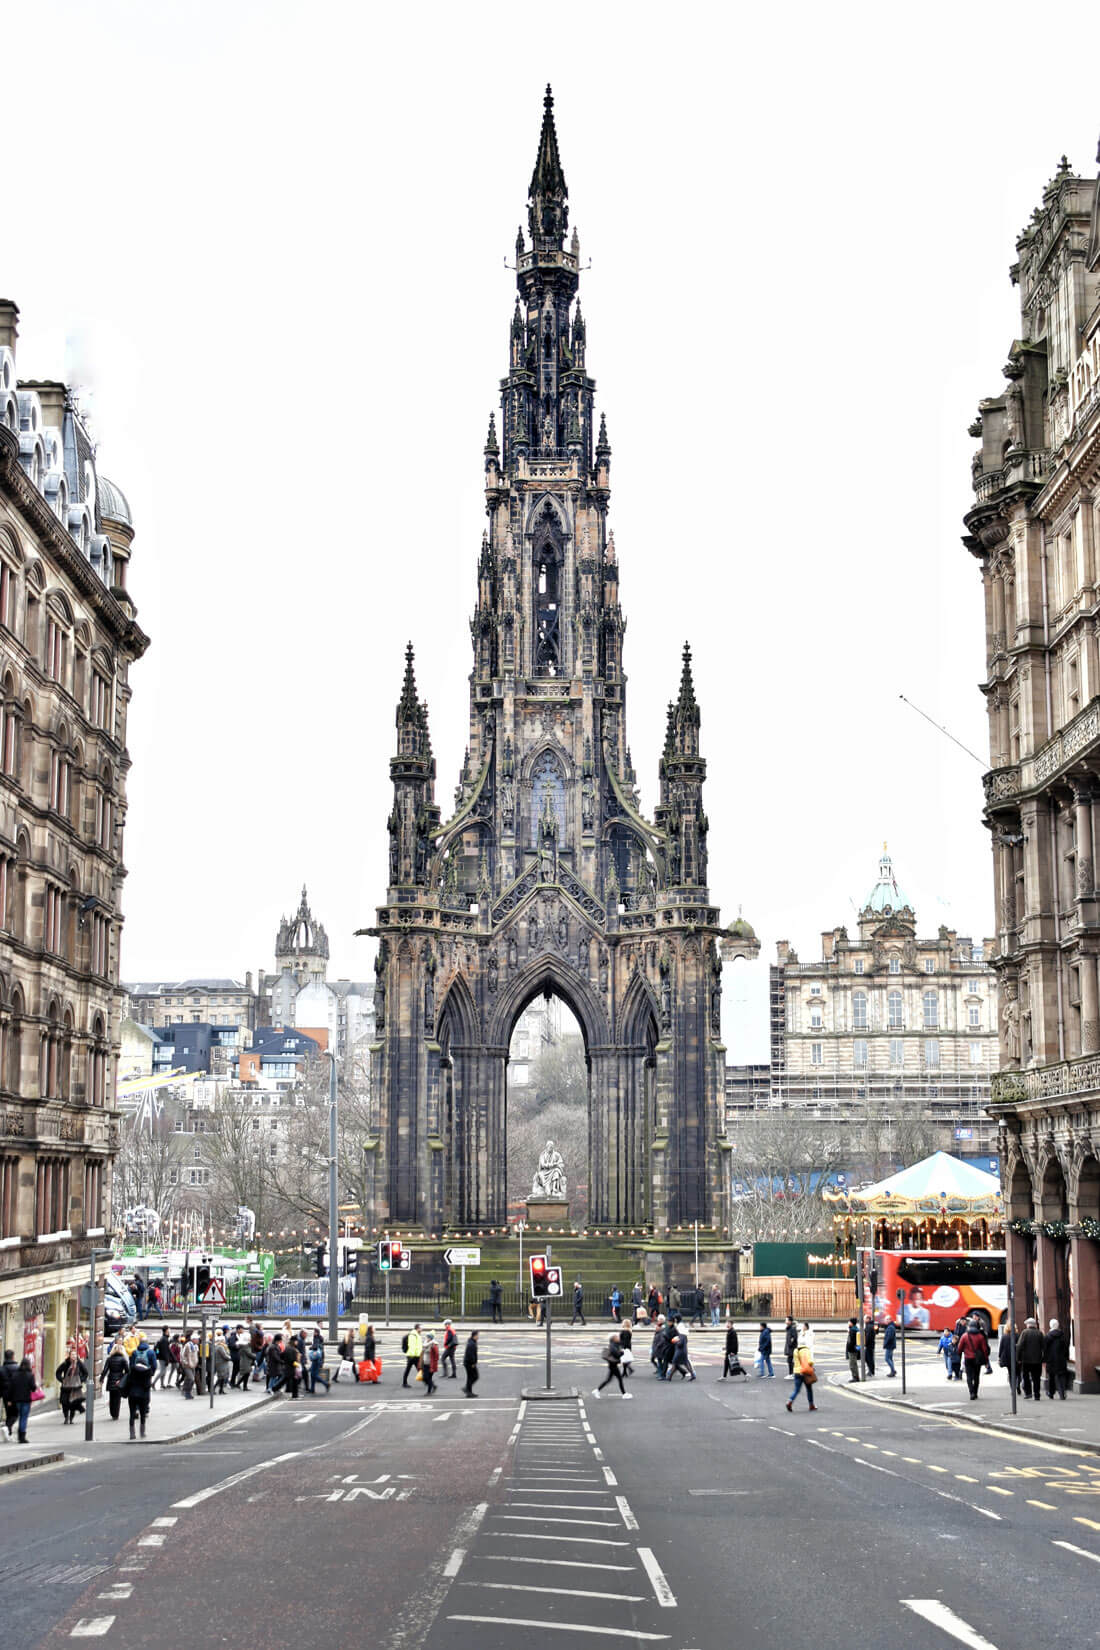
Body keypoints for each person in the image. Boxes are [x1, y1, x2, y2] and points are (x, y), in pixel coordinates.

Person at [127, 1335, 156, 1439]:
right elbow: (148, 1384)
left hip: (133, 1394)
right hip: (143, 1395)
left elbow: (128, 1380)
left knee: (131, 1414)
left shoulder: (134, 1354)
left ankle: (132, 1434)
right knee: (143, 1414)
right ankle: (142, 1432)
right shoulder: (147, 1370)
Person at [957, 1316, 990, 1400]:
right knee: (976, 1376)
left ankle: (971, 1392)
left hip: (968, 1358)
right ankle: (975, 1392)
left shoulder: (965, 1336)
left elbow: (959, 1348)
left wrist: (959, 1355)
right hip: (977, 1359)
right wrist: (986, 1361)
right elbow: (984, 1350)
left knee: (969, 1376)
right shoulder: (980, 1336)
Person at [785, 1332, 818, 1413]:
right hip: (805, 1372)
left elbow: (794, 1361)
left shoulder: (796, 1350)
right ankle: (811, 1405)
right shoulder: (807, 1350)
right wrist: (812, 1366)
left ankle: (790, 1401)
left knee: (796, 1390)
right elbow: (810, 1361)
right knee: (809, 1389)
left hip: (797, 1372)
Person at [55, 1344, 87, 1425]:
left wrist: (80, 1380)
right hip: (66, 1387)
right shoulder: (65, 1363)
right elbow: (58, 1372)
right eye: (72, 1354)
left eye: (75, 1354)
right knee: (64, 1403)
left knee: (73, 1403)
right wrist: (62, 1380)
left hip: (75, 1387)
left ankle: (71, 1419)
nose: (74, 1356)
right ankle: (66, 1417)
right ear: (69, 1355)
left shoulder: (79, 1363)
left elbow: (85, 1373)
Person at [6, 1356, 35, 1443]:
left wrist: (9, 1400)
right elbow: (33, 1388)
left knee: (18, 1416)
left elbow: (11, 1388)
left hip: (16, 1400)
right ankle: (21, 1436)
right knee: (23, 1417)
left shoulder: (15, 1375)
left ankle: (18, 1433)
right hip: (26, 1400)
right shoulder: (30, 1375)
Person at [593, 1334, 630, 1398]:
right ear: (613, 1338)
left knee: (608, 1380)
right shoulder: (612, 1345)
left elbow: (623, 1344)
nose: (618, 1338)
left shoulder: (615, 1344)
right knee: (619, 1379)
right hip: (613, 1365)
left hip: (613, 1365)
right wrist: (622, 1353)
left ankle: (597, 1390)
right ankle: (624, 1394)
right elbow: (616, 1354)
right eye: (617, 1337)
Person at [1016, 1316, 1044, 1400]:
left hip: (1026, 1360)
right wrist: (1043, 1358)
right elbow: (1043, 1346)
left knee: (1026, 1377)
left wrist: (1018, 1358)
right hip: (1037, 1360)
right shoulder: (1039, 1333)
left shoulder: (1024, 1333)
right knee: (1036, 1378)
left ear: (1028, 1325)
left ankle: (1028, 1393)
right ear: (1035, 1325)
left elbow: (1019, 1346)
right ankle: (1037, 1394)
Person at [102, 1338, 130, 1420]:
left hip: (111, 1379)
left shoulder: (109, 1359)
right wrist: (123, 1379)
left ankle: (112, 1412)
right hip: (119, 1380)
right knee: (117, 1398)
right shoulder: (123, 1359)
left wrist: (102, 1378)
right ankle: (116, 1414)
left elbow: (105, 1370)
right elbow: (128, 1371)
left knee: (112, 1396)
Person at [1043, 1318, 1070, 1400]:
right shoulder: (1062, 1336)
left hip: (1051, 1360)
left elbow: (1045, 1349)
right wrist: (1066, 1357)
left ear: (1050, 1326)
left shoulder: (1047, 1337)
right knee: (1061, 1376)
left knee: (1051, 1377)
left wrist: (1044, 1359)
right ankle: (1062, 1393)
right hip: (1061, 1360)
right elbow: (1066, 1348)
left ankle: (1051, 1393)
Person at [1, 1347, 19, 1437]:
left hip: (5, 1395)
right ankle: (8, 1427)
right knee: (15, 1413)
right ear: (13, 1357)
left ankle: (9, 1431)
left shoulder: (1, 1369)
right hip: (15, 1394)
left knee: (9, 1413)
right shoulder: (17, 1368)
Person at [997, 1322, 1018, 1393]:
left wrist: (999, 1357)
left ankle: (1013, 1388)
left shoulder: (1004, 1336)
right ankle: (1017, 1385)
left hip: (1007, 1358)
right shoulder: (1017, 1336)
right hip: (1016, 1357)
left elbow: (1001, 1347)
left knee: (1010, 1373)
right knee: (1017, 1373)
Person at [181, 1332, 200, 1399]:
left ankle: (187, 1391)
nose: (198, 1340)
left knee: (189, 1378)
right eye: (197, 1339)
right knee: (191, 1378)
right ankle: (187, 1392)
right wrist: (186, 1363)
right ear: (193, 1339)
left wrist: (196, 1362)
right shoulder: (188, 1345)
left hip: (193, 1365)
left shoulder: (196, 1346)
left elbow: (196, 1355)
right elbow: (183, 1355)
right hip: (188, 1365)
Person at [462, 1329, 479, 1396]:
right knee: (475, 1376)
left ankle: (469, 1392)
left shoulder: (472, 1341)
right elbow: (470, 1354)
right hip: (469, 1363)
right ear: (474, 1336)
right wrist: (473, 1363)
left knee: (470, 1377)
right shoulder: (471, 1344)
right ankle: (466, 1388)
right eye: (477, 1335)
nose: (478, 1337)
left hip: (468, 1362)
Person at [845, 1317, 861, 1383]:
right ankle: (856, 1377)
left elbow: (851, 1342)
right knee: (854, 1364)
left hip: (852, 1350)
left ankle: (855, 1377)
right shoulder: (854, 1329)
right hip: (854, 1349)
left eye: (849, 1322)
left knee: (852, 1365)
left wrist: (849, 1349)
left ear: (851, 1323)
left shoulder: (853, 1331)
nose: (848, 1323)